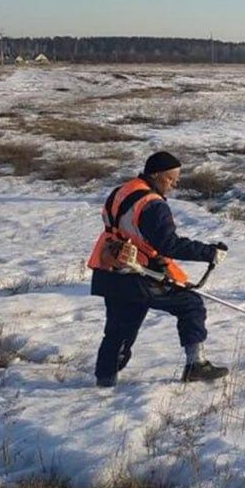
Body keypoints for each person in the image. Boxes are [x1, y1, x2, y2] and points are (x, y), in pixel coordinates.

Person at [87, 151, 229, 387]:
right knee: (190, 304)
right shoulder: (152, 205)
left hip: (110, 269)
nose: (174, 184)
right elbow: (168, 243)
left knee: (119, 328)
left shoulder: (122, 190)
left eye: (176, 180)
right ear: (155, 175)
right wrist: (209, 252)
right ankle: (196, 364)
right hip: (137, 274)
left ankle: (105, 379)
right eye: (170, 179)